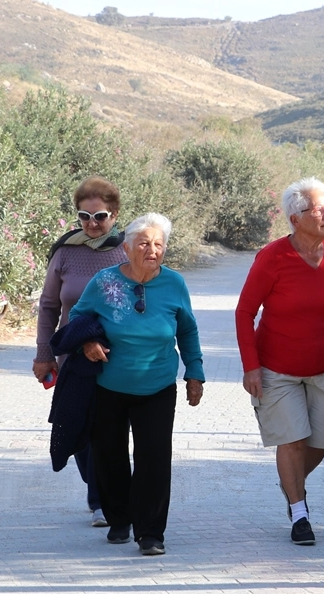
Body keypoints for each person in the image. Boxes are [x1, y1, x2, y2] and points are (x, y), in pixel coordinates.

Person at [68, 213, 204, 556]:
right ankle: (119, 519)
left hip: (157, 385)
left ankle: (150, 532)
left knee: (154, 458)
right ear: (126, 247)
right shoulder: (104, 281)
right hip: (109, 384)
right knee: (109, 454)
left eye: (158, 244)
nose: (152, 250)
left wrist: (194, 372)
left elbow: (187, 329)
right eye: (143, 243)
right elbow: (77, 317)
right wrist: (87, 343)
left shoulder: (174, 284)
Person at [235, 177, 324, 546]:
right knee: (292, 440)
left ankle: (290, 481)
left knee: (319, 442)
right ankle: (299, 511)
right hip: (277, 369)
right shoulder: (272, 258)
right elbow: (245, 312)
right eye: (318, 209)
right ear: (294, 217)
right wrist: (250, 366)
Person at [33, 176, 127, 528]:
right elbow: (48, 306)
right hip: (72, 354)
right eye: (83, 217)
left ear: (115, 215)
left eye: (100, 216)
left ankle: (103, 497)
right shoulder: (64, 251)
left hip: (118, 354)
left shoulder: (126, 250)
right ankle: (98, 490)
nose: (91, 224)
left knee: (110, 426)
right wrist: (44, 354)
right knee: (79, 426)